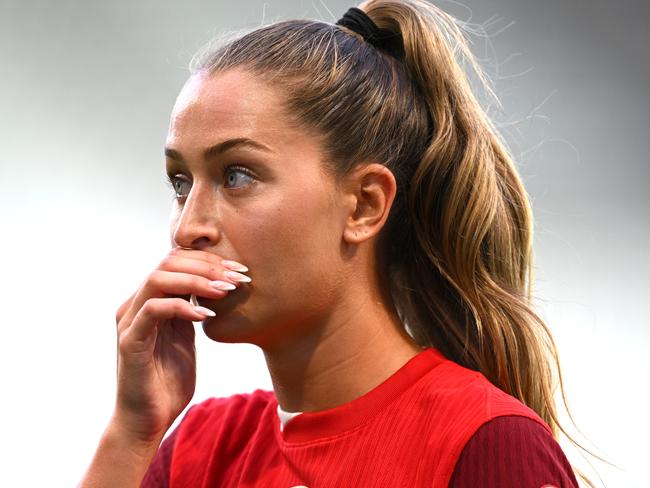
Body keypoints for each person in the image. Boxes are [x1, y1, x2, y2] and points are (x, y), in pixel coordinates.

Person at [79, 1, 595, 487]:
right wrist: (132, 432)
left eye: (236, 175)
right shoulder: (198, 448)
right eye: (181, 182)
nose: (187, 228)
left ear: (364, 205)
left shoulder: (484, 441)